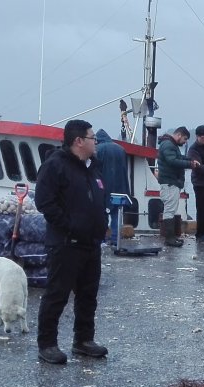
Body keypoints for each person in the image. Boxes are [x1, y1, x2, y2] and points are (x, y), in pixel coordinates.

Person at [33, 119, 109, 365]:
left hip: (91, 243)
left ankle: (83, 340)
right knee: (57, 294)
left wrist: (101, 224)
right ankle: (47, 344)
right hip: (66, 243)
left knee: (88, 295)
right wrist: (70, 225)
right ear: (78, 141)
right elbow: (45, 202)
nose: (95, 143)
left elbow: (97, 197)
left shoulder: (92, 167)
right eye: (92, 138)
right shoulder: (55, 166)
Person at [155, 126, 200, 247]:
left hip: (171, 182)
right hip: (170, 183)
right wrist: (190, 164)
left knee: (170, 210)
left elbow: (177, 158)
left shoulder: (169, 145)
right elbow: (173, 161)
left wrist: (190, 160)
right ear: (179, 135)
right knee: (169, 211)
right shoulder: (169, 145)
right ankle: (169, 239)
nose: (185, 142)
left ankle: (171, 237)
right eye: (185, 139)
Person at [93, 129, 128, 246]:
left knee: (102, 214)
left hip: (104, 187)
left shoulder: (98, 149)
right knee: (117, 214)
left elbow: (95, 169)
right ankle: (115, 239)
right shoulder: (121, 149)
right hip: (120, 187)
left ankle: (102, 238)